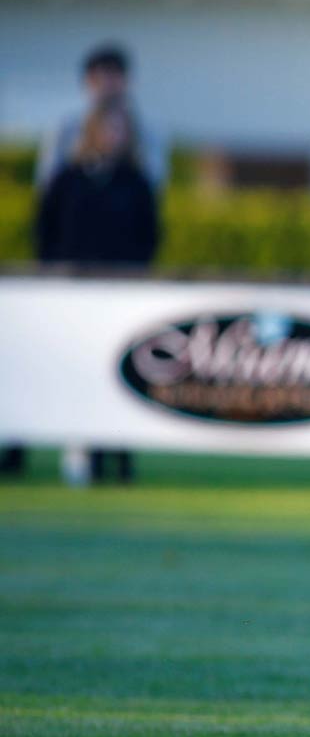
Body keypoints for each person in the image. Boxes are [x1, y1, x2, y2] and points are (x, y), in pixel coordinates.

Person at [36, 97, 160, 484]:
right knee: (77, 371)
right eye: (108, 127)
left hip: (120, 295)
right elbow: (45, 231)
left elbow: (149, 237)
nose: (113, 135)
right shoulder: (68, 179)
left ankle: (120, 458)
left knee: (122, 372)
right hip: (73, 295)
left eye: (121, 129)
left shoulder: (135, 182)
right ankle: (78, 455)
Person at [37, 43, 168, 192]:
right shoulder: (67, 127)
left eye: (114, 77)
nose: (108, 85)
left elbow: (153, 182)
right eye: (101, 78)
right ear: (88, 81)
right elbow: (49, 181)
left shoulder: (146, 130)